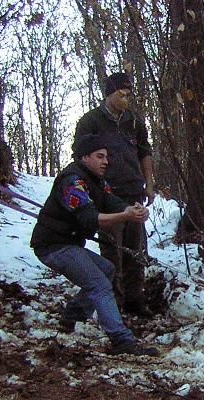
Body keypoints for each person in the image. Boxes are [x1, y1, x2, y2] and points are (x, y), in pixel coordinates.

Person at [30, 134, 158, 357]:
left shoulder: (96, 180)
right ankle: (121, 340)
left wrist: (133, 208)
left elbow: (110, 201)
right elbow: (90, 218)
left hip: (69, 244)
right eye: (100, 156)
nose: (106, 161)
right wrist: (124, 216)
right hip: (53, 246)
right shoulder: (73, 182)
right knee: (99, 285)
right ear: (85, 157)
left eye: (106, 157)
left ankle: (72, 316)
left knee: (107, 270)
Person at [74, 71, 155, 318]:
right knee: (111, 252)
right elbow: (80, 156)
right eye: (122, 94)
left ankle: (135, 300)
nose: (126, 99)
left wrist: (149, 183)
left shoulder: (133, 121)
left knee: (136, 250)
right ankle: (113, 304)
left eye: (128, 95)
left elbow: (145, 151)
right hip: (107, 195)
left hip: (133, 193)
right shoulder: (91, 122)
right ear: (109, 94)